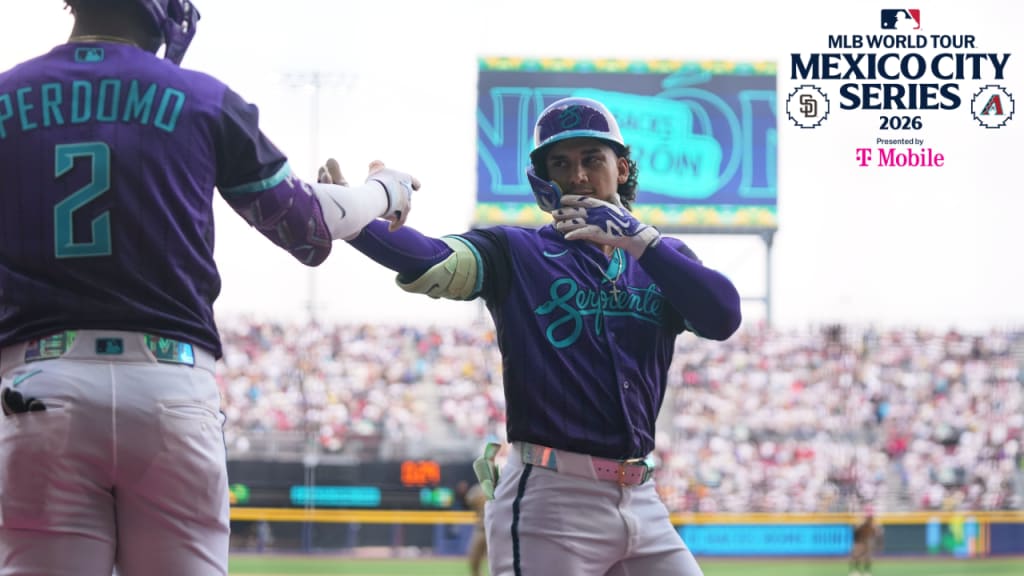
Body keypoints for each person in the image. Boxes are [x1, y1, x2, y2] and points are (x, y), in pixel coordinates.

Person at [0, 2, 418, 575]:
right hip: (168, 383)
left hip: (38, 382)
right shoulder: (201, 97)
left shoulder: (6, 95)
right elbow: (310, 226)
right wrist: (383, 191)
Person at [325, 96, 741, 575]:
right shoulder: (515, 251)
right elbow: (432, 258)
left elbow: (723, 317)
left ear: (622, 168)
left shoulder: (661, 258)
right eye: (560, 163)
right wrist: (354, 221)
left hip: (641, 496)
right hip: (552, 497)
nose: (578, 175)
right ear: (543, 180)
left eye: (592, 159)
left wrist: (641, 241)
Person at [455, 480, 489, 576]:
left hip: (499, 530)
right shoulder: (477, 490)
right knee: (474, 559)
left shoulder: (503, 486)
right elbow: (467, 503)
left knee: (500, 561)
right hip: (481, 529)